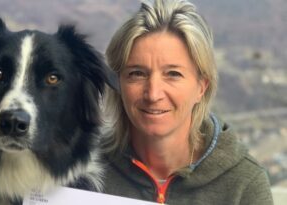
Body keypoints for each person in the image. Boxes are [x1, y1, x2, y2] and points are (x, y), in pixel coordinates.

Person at [101, 0, 274, 204]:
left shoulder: (244, 184)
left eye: (173, 74)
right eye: (137, 73)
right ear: (117, 82)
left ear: (202, 87)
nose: (153, 94)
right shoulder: (82, 171)